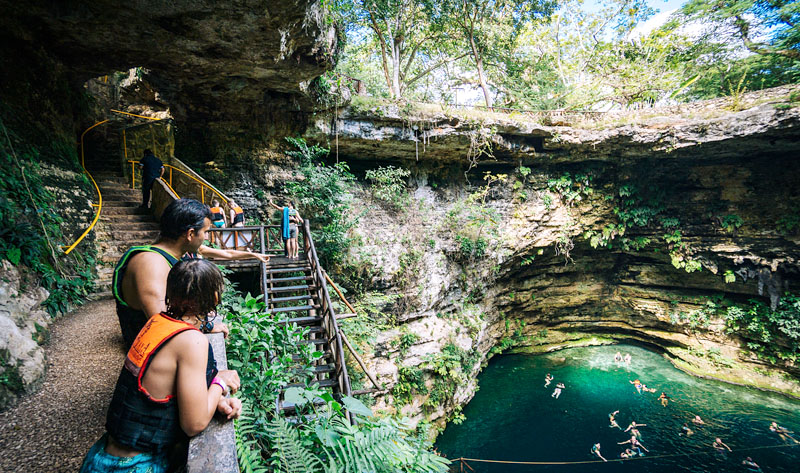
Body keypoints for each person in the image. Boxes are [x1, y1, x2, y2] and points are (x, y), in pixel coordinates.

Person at [80, 260, 242, 473]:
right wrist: (219, 383)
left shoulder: (157, 322)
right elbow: (194, 424)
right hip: (135, 465)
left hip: (103, 457)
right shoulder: (192, 341)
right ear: (214, 298)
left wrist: (214, 401)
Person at [112, 198, 270, 348]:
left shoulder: (172, 254)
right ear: (190, 234)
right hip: (151, 362)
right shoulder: (151, 263)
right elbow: (162, 322)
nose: (207, 237)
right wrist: (206, 325)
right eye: (206, 232)